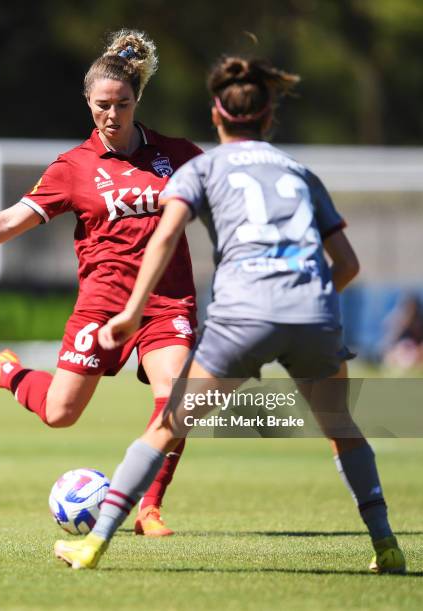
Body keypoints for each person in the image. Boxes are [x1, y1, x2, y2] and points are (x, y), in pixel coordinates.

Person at [53, 55, 406, 573]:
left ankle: (94, 543)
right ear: (268, 119)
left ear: (217, 117)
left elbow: (167, 235)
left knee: (168, 424)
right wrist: (309, 304)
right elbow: (348, 264)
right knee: (343, 426)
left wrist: (132, 311)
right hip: (313, 311)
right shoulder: (299, 172)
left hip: (244, 315)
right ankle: (386, 546)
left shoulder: (202, 167)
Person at [0, 29, 203, 537]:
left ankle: (149, 507)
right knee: (61, 414)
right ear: (88, 102)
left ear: (138, 100)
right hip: (103, 305)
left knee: (178, 397)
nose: (112, 115)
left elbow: (230, 194)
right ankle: (4, 373)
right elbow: (9, 221)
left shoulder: (177, 155)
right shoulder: (74, 168)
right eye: (103, 105)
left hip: (166, 299)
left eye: (123, 104)